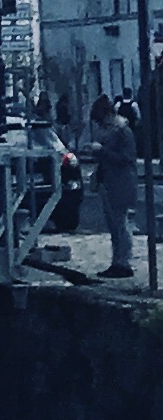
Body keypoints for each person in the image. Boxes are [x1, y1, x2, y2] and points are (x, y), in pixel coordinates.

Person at [95, 95, 140, 281]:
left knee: (121, 225)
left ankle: (124, 262)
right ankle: (117, 261)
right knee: (114, 226)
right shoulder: (113, 130)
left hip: (121, 183)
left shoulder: (122, 131)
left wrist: (102, 151)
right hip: (110, 182)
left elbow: (127, 158)